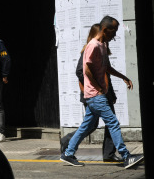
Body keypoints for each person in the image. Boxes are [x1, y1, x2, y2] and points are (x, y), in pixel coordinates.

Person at [60, 16, 144, 169]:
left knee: (87, 126)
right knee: (112, 122)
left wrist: (123, 77)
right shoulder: (93, 46)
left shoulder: (103, 45)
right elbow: (85, 69)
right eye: (114, 31)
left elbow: (106, 68)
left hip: (96, 95)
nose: (115, 35)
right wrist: (98, 87)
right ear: (105, 30)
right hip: (95, 95)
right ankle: (126, 156)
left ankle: (68, 153)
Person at [60, 24, 122, 162]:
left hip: (103, 93)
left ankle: (109, 154)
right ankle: (67, 142)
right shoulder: (90, 49)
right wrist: (96, 87)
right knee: (93, 125)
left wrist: (111, 93)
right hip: (93, 94)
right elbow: (80, 72)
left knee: (110, 122)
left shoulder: (102, 49)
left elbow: (105, 73)